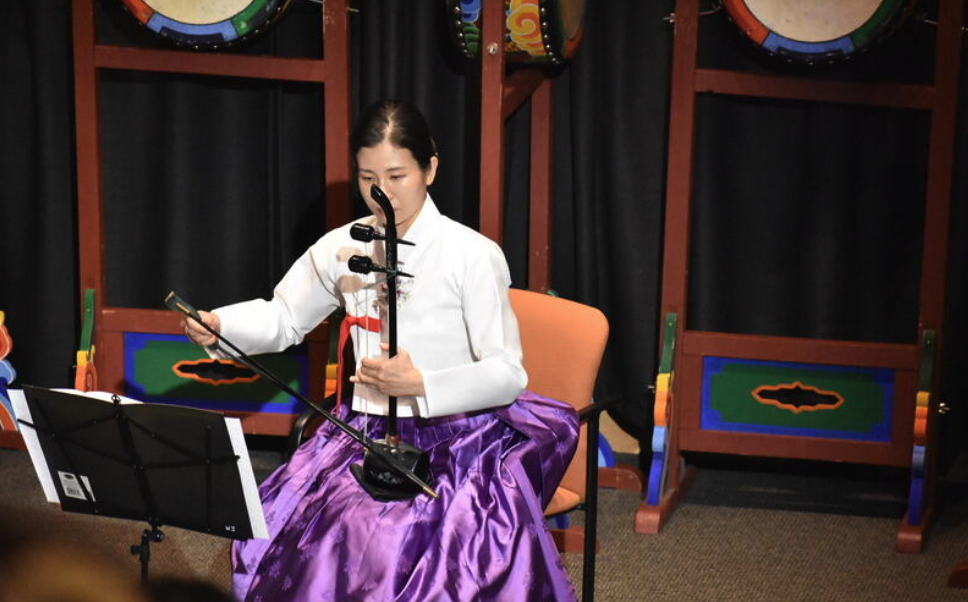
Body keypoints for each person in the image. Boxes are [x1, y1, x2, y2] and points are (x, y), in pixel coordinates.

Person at [183, 99, 579, 601]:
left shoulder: (472, 255)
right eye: (369, 177)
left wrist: (422, 385)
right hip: (362, 434)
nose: (382, 193)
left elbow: (507, 374)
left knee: (394, 551)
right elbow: (284, 318)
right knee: (290, 531)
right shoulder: (342, 247)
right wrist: (223, 326)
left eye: (397, 176)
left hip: (456, 442)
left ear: (429, 168)